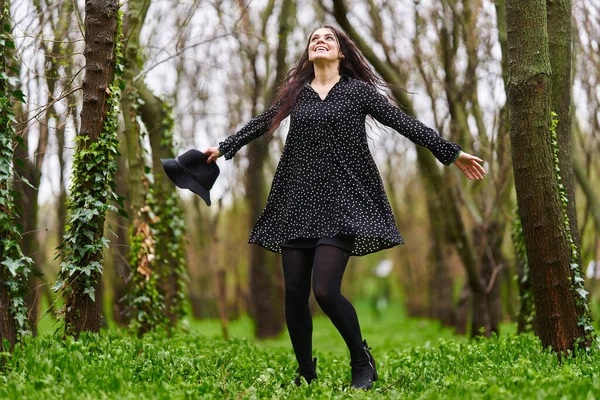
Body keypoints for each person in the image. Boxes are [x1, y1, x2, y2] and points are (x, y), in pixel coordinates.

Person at [203, 25, 486, 390]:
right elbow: (262, 122)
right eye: (313, 39)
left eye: (329, 39)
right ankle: (305, 372)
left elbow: (403, 122)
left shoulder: (357, 93)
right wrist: (224, 148)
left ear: (341, 54)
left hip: (343, 204)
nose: (320, 41)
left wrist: (451, 153)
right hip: (297, 200)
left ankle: (361, 360)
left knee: (324, 289)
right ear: (309, 54)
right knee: (293, 293)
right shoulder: (296, 96)